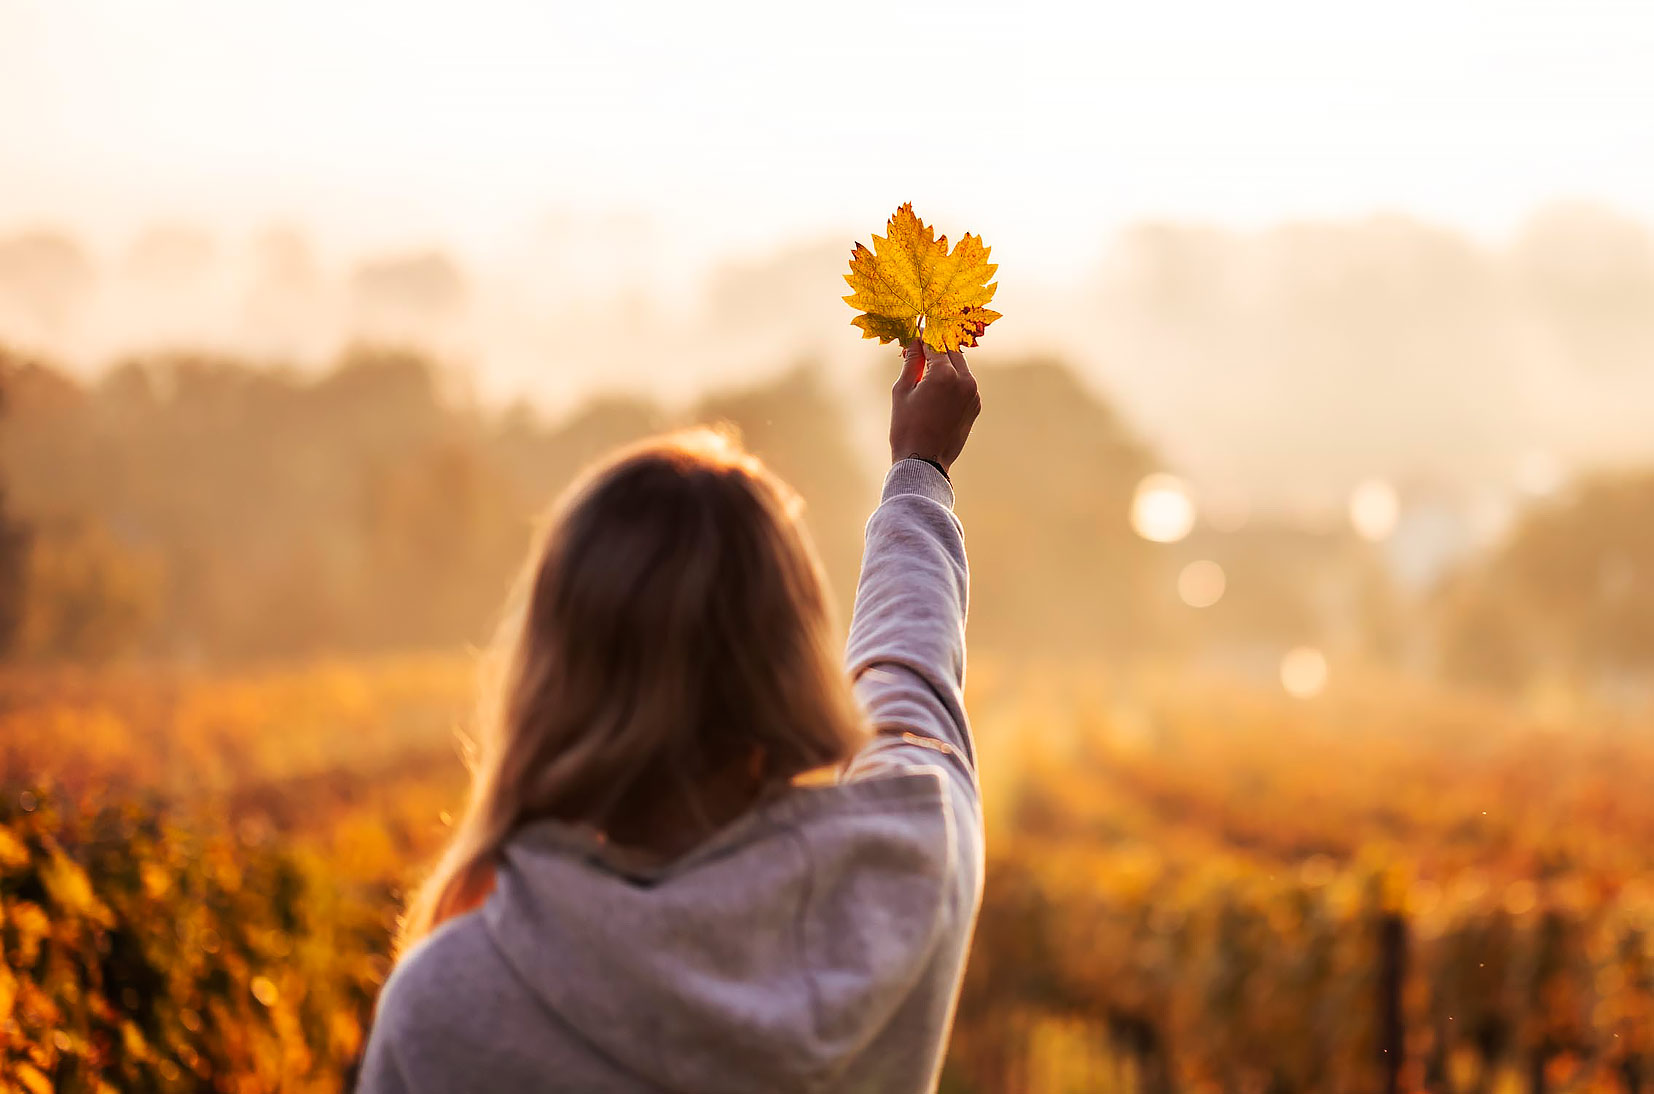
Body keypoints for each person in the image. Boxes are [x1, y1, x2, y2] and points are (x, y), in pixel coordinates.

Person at [357, 340, 983, 1093]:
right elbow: (909, 680)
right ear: (787, 667)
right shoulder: (902, 879)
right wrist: (919, 472)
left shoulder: (451, 1008)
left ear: (554, 673)